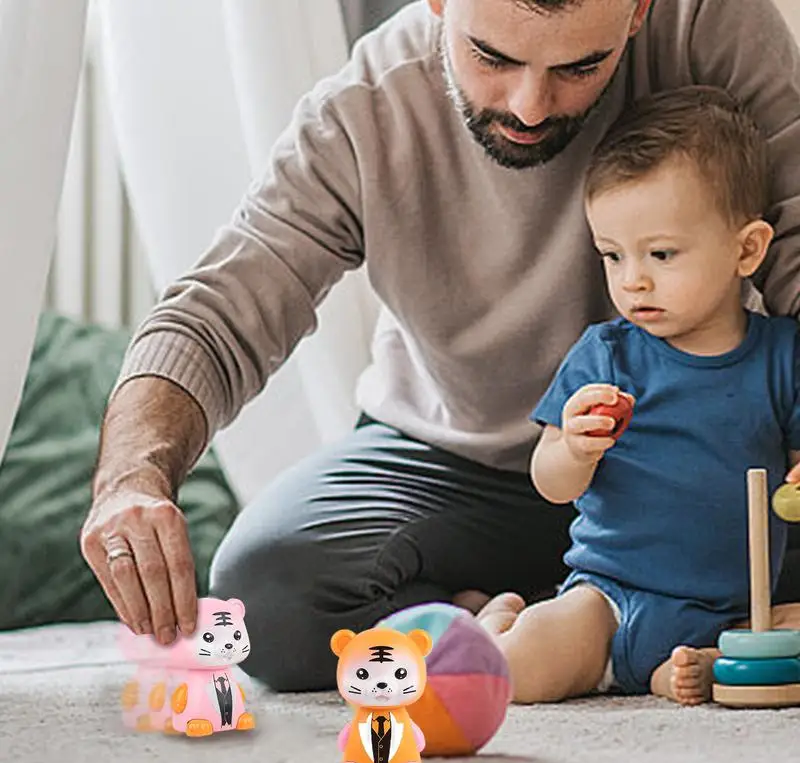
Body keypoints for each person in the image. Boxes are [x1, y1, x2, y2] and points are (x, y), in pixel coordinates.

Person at [79, 0, 800, 692]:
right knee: (269, 593)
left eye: (580, 67)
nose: (529, 105)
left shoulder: (710, 20)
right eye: (493, 55)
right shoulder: (366, 109)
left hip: (700, 459)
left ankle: (599, 621)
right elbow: (221, 309)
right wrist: (130, 478)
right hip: (452, 463)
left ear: (639, 11)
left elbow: (793, 239)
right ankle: (508, 620)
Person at [476, 85, 800, 706]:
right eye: (612, 255)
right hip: (607, 598)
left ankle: (681, 668)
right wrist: (574, 447)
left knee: (772, 643)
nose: (633, 279)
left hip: (732, 609)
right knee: (516, 675)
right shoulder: (607, 355)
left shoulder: (780, 357)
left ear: (747, 249)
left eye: (661, 254)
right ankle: (498, 623)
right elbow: (551, 482)